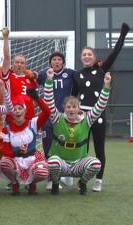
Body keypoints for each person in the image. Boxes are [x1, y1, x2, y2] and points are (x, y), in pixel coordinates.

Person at [74, 23, 130, 192]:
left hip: (98, 115)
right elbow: (72, 96)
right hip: (82, 117)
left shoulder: (102, 69)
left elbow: (114, 53)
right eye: (84, 54)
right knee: (81, 149)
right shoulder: (77, 74)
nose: (86, 56)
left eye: (89, 54)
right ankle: (79, 179)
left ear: (94, 56)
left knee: (99, 148)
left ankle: (98, 180)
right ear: (80, 57)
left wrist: (122, 35)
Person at [45, 69, 112, 195]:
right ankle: (55, 182)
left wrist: (106, 86)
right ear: (64, 108)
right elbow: (49, 101)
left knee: (96, 164)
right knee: (52, 161)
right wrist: (49, 80)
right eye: (68, 107)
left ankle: (82, 182)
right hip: (62, 163)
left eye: (74, 107)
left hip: (78, 164)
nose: (71, 109)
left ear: (78, 108)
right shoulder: (57, 118)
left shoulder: (87, 119)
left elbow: (100, 106)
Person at [37, 52, 78, 189]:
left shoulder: (71, 74)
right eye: (54, 59)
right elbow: (30, 82)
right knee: (48, 147)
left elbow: (82, 81)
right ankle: (50, 179)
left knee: (65, 146)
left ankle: (67, 175)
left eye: (59, 59)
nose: (56, 62)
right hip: (47, 117)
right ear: (50, 62)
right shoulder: (44, 74)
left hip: (65, 118)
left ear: (63, 62)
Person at [0, 88, 50, 196]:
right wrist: (17, 153)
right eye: (14, 109)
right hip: (16, 159)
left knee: (42, 172)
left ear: (25, 110)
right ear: (11, 113)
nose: (17, 111)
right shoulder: (6, 129)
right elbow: (5, 150)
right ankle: (14, 183)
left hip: (32, 158)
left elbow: (47, 112)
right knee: (5, 164)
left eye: (20, 108)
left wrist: (37, 98)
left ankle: (32, 184)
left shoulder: (33, 124)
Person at [1, 28, 38, 121]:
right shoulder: (9, 75)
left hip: (29, 118)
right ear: (13, 64)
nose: (19, 64)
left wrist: (27, 105)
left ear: (25, 66)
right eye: (17, 62)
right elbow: (6, 57)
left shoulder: (30, 79)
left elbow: (36, 100)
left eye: (22, 63)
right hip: (13, 117)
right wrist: (5, 38)